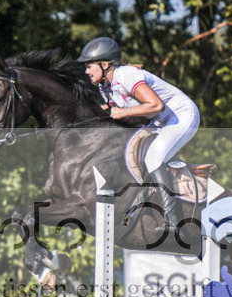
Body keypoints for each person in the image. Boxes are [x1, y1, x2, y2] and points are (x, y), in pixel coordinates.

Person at [76, 37, 200, 234]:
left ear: (105, 64)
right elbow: (120, 107)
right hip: (160, 121)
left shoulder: (127, 76)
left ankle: (174, 221)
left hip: (181, 115)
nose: (86, 71)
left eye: (89, 66)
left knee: (153, 158)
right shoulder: (104, 86)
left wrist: (121, 113)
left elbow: (155, 105)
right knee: (130, 153)